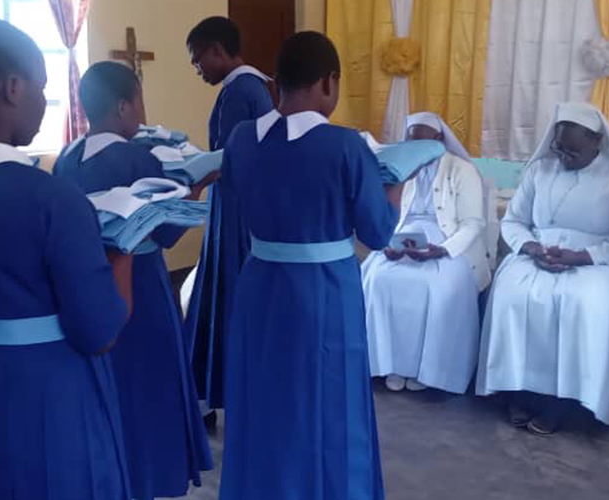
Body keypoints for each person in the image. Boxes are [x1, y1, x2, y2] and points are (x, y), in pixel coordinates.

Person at [0, 15, 131, 499]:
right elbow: (99, 332)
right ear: (12, 88)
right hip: (46, 394)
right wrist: (125, 249)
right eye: (42, 87)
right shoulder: (52, 199)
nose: (43, 100)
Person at [218, 31, 398, 500]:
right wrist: (396, 185)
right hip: (323, 292)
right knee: (328, 404)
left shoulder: (242, 139)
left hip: (259, 284)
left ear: (277, 82)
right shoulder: (345, 146)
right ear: (328, 82)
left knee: (264, 396)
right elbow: (378, 232)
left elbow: (235, 196)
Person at [53, 61, 213, 499]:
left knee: (107, 391)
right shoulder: (139, 158)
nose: (144, 112)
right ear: (123, 106)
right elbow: (167, 232)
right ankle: (146, 480)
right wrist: (196, 186)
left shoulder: (67, 158)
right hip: (139, 285)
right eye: (140, 101)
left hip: (85, 285)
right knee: (148, 391)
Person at [475, 102, 609, 434]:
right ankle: (517, 389)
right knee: (512, 293)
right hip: (539, 252)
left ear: (597, 142)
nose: (564, 157)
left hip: (598, 261)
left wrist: (581, 257)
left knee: (581, 302)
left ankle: (562, 401)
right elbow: (513, 221)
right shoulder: (539, 171)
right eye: (559, 148)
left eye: (574, 151)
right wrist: (532, 248)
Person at [184, 15, 274, 428]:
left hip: (236, 209)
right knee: (221, 297)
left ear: (217, 50)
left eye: (198, 60)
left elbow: (231, 157)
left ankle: (228, 394)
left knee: (227, 298)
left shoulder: (240, 90)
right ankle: (222, 394)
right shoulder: (250, 87)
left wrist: (192, 173)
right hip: (240, 205)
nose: (197, 69)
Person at [362, 111, 490, 394]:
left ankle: (429, 370)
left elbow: (473, 223)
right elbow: (386, 214)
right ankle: (389, 364)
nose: (417, 149)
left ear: (439, 139)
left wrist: (442, 250)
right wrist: (388, 244)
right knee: (377, 279)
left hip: (449, 243)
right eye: (412, 143)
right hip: (404, 236)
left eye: (424, 142)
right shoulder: (400, 168)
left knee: (435, 285)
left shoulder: (461, 170)